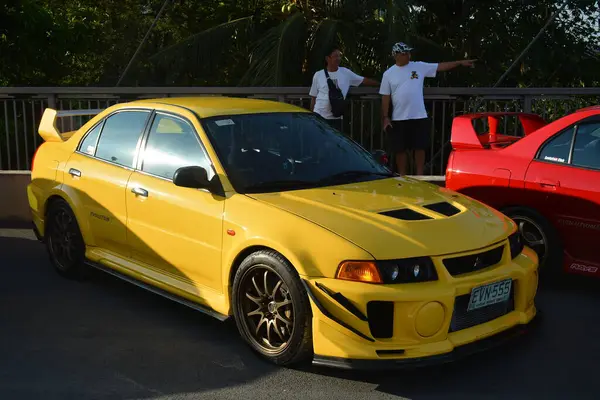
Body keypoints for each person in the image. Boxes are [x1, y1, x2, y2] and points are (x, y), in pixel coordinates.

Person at [380, 42, 476, 175]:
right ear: (396, 55)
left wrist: (459, 62)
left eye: (408, 52)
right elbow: (385, 96)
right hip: (399, 117)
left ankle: (420, 176)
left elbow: (440, 67)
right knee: (400, 149)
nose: (408, 55)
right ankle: (402, 175)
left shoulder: (418, 66)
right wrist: (385, 117)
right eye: (404, 53)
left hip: (419, 115)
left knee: (419, 147)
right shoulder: (388, 74)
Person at [309, 45, 379, 132]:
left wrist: (380, 84)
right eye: (335, 56)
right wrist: (312, 116)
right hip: (319, 116)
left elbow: (363, 80)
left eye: (339, 56)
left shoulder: (345, 73)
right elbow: (313, 97)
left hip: (336, 118)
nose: (338, 58)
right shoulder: (318, 75)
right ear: (327, 58)